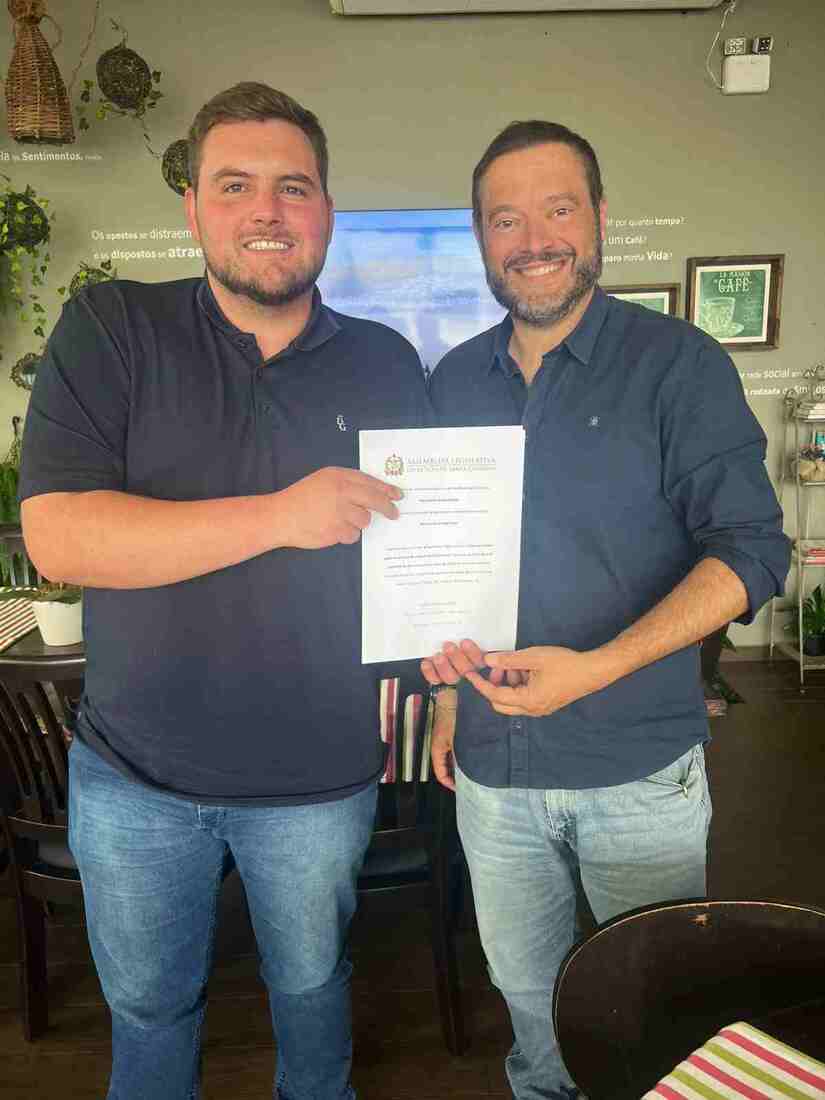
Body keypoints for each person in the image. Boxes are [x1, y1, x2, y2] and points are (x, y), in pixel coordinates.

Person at [19, 83, 430, 1100]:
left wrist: (447, 660)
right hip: (135, 775)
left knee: (313, 987)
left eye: (294, 187)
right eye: (235, 185)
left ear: (326, 209)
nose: (267, 211)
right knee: (150, 1008)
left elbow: (417, 557)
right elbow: (61, 536)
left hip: (320, 776)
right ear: (194, 207)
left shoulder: (384, 361)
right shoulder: (114, 327)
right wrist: (282, 514)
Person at [421, 121, 790, 1100]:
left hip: (637, 767)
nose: (533, 238)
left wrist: (597, 666)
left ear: (599, 217)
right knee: (527, 995)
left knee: (653, 1005)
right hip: (494, 770)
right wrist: (450, 697)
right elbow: (450, 561)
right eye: (505, 218)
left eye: (558, 208)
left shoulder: (679, 364)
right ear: (480, 235)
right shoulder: (452, 380)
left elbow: (753, 550)